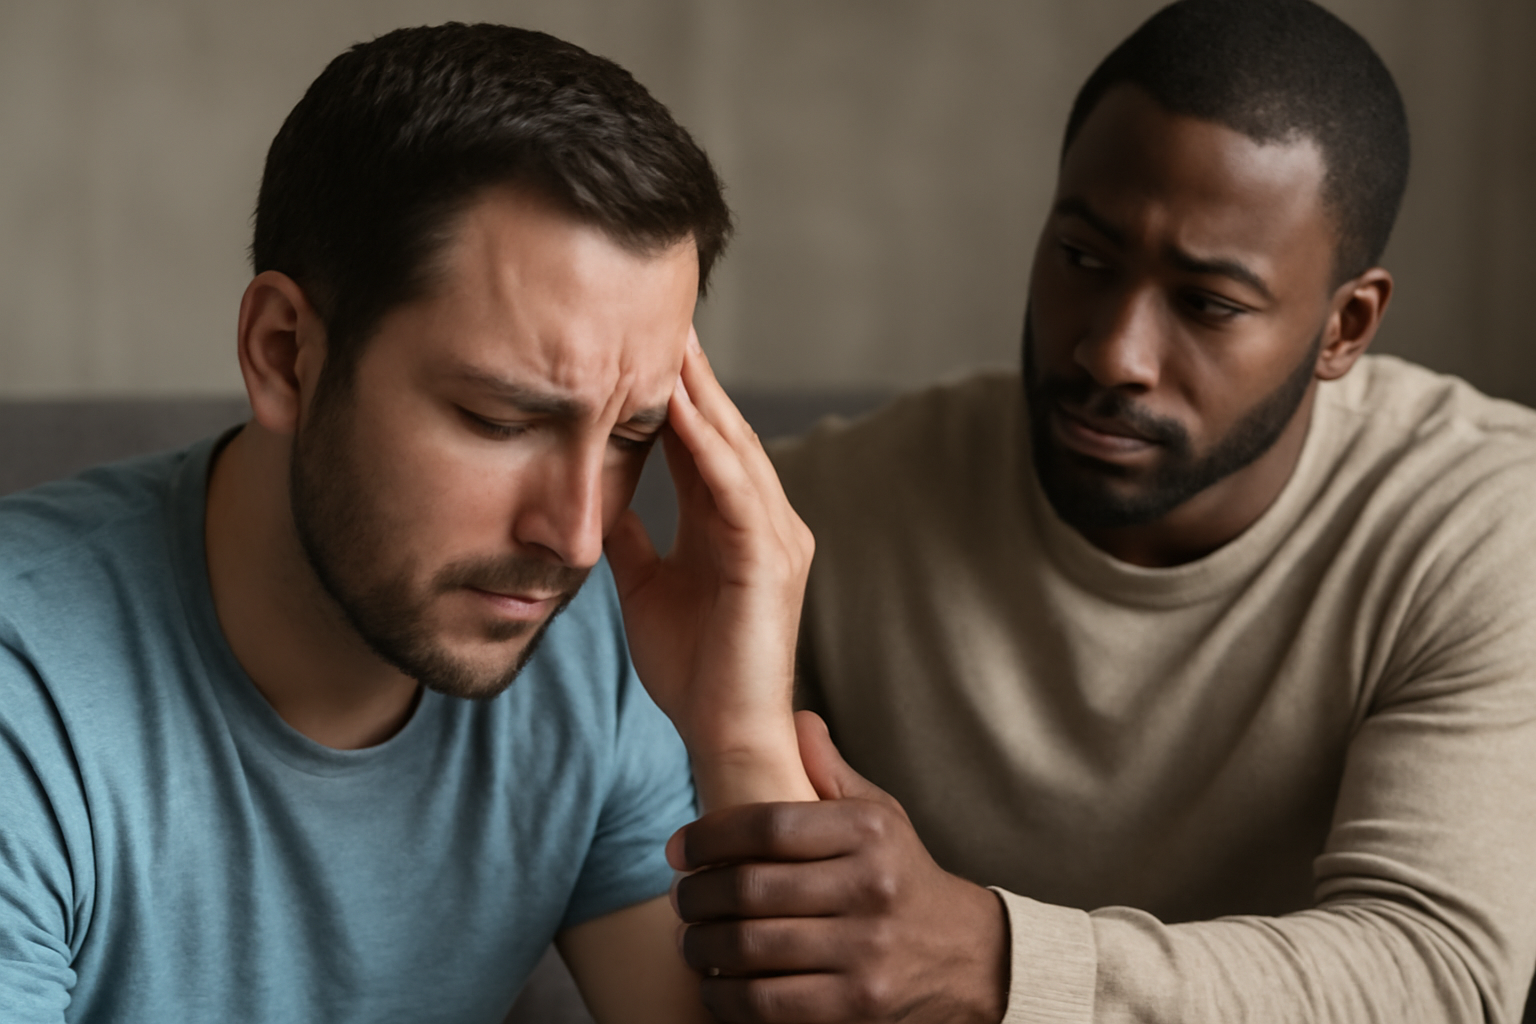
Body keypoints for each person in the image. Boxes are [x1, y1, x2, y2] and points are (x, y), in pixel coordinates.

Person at [666, 1, 1536, 1021]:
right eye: (1083, 258)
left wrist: (992, 956)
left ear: (1345, 327)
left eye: (1208, 304)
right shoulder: (815, 518)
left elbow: (1440, 972)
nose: (1114, 352)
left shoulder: (1480, 525)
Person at [0, 23, 817, 1024]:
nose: (577, 538)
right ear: (283, 352)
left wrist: (740, 737)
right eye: (502, 420)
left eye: (630, 434)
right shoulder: (25, 698)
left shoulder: (584, 652)